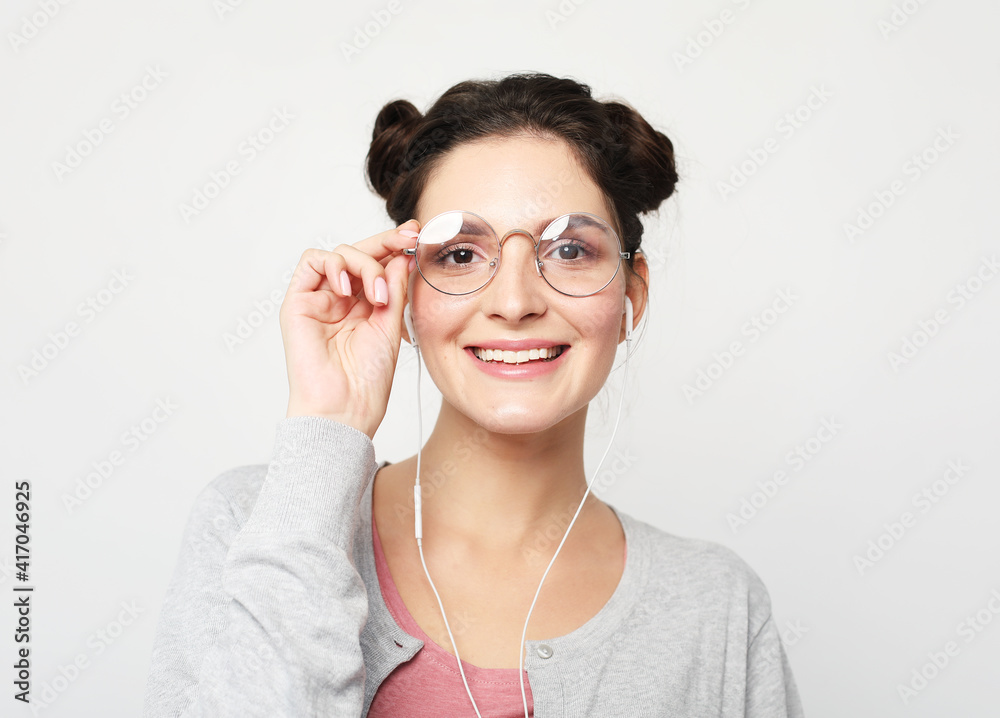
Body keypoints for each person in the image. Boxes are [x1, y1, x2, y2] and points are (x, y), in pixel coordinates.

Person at [141, 72, 805, 717]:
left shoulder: (716, 607)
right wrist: (327, 430)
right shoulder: (256, 524)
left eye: (570, 250)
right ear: (403, 297)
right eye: (460, 254)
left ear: (631, 296)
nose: (514, 302)